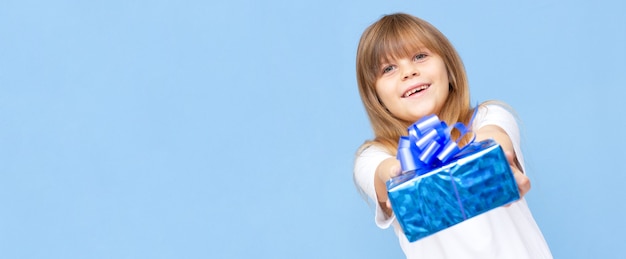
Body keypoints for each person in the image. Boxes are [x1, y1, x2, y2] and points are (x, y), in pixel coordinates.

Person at [353, 13, 553, 258]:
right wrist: (396, 175)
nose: (408, 72)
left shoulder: (487, 116)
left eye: (420, 56)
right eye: (389, 68)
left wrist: (495, 161)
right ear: (376, 96)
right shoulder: (375, 154)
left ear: (449, 69)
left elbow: (496, 135)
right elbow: (381, 173)